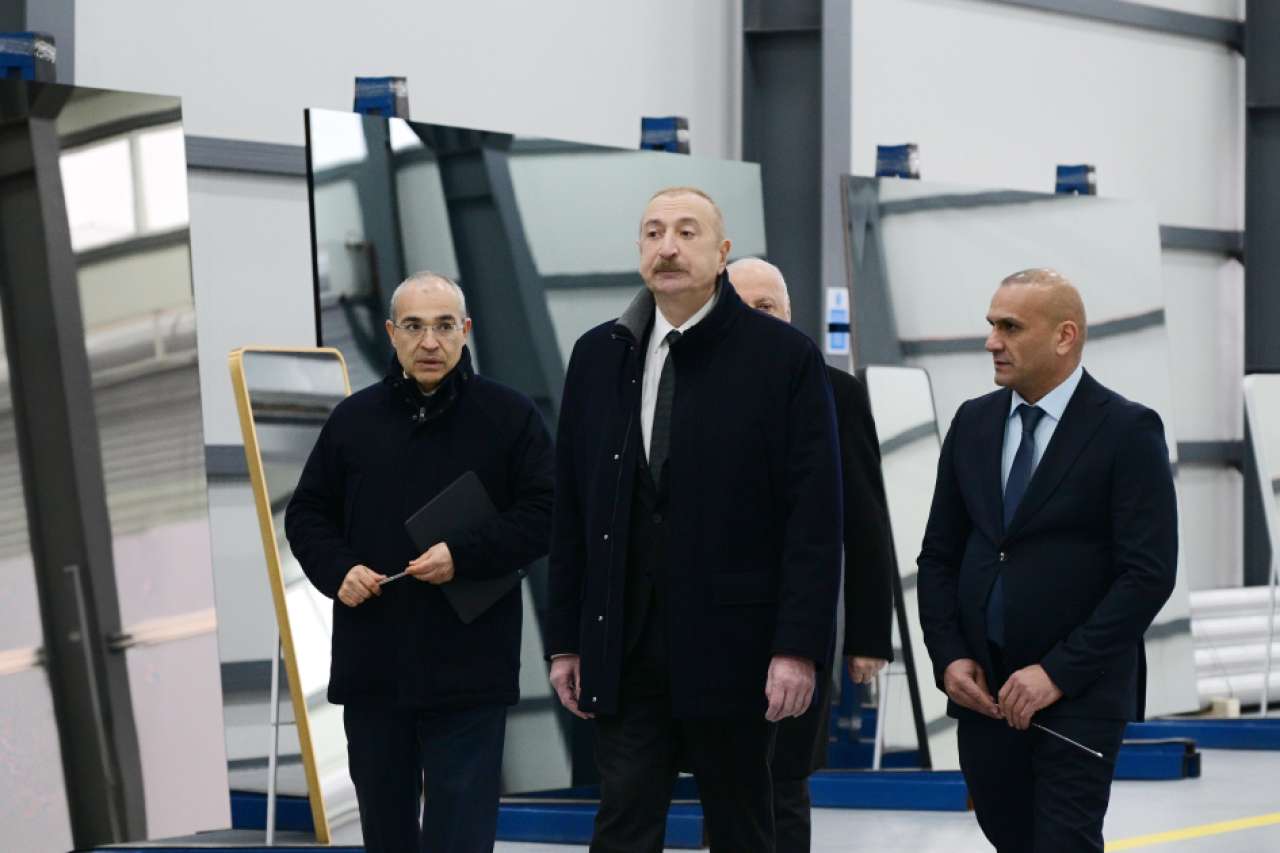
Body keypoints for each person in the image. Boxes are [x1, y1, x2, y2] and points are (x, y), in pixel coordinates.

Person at [545, 187, 843, 852]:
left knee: (742, 828)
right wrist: (566, 639)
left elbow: (814, 518)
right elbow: (572, 508)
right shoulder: (598, 355)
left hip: (737, 650)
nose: (668, 247)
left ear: (722, 252)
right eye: (654, 233)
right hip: (625, 646)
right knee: (622, 824)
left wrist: (798, 647)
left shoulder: (783, 358)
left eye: (687, 232)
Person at [284, 271, 554, 853]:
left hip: (470, 667)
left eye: (444, 326)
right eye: (413, 326)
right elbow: (306, 514)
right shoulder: (353, 420)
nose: (429, 341)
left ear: (466, 330)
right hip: (374, 665)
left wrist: (463, 555)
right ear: (391, 333)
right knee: (386, 835)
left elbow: (547, 512)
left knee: (461, 837)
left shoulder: (509, 416)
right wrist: (338, 570)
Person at [916, 268, 1177, 853]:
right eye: (991, 325)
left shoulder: (1127, 430)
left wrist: (1058, 673)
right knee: (1009, 837)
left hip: (1080, 694)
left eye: (1010, 327)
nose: (992, 341)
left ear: (1064, 336)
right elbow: (939, 556)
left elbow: (1148, 574)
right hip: (984, 692)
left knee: (1064, 842)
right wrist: (949, 655)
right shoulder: (973, 422)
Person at [728, 257, 895, 852]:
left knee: (784, 781)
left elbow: (865, 519)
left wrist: (869, 635)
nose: (754, 319)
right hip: (713, 625)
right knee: (726, 782)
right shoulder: (692, 389)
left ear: (790, 315)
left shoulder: (835, 393)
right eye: (740, 307)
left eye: (766, 307)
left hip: (798, 620)